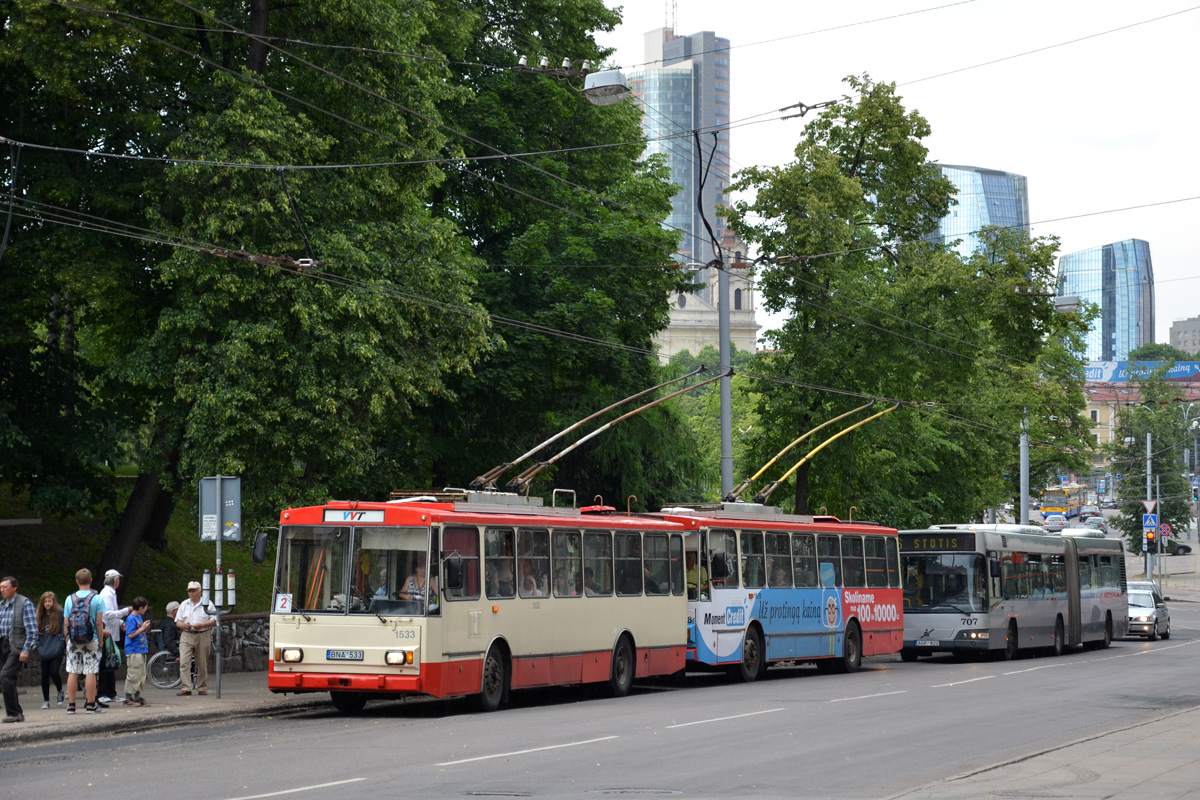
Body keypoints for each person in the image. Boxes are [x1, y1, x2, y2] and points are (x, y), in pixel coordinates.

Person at [63, 568, 106, 714]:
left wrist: (67, 638)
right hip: (91, 638)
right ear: (91, 580)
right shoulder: (97, 598)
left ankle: (71, 705)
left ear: (76, 581)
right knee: (91, 671)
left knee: (72, 671)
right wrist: (100, 640)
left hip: (73, 639)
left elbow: (66, 623)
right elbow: (99, 623)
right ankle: (90, 704)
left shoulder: (69, 599)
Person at [1, 576, 38, 723]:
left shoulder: (25, 603)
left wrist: (26, 649)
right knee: (7, 679)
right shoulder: (2, 605)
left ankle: (13, 713)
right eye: (1, 587)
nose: (2, 590)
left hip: (16, 647)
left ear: (14, 587)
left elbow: (33, 630)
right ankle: (17, 712)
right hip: (2, 645)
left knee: (6, 676)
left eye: (5, 587)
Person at [175, 581, 217, 696]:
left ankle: (202, 687)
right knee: (184, 661)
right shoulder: (184, 604)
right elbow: (177, 621)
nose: (191, 593)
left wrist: (202, 624)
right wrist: (183, 625)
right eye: (189, 591)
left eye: (193, 591)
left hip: (203, 634)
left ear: (200, 592)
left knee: (201, 662)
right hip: (187, 634)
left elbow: (214, 620)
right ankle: (186, 687)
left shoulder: (207, 603)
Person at [98, 569, 130, 704]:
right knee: (106, 664)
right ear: (115, 581)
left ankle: (111, 692)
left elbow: (111, 615)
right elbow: (107, 615)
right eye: (118, 580)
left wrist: (121, 622)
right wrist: (126, 611)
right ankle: (103, 692)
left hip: (112, 632)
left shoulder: (110, 593)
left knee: (110, 664)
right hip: (108, 634)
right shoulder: (107, 594)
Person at [35, 591, 66, 709]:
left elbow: (64, 629)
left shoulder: (59, 613)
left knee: (54, 672)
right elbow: (35, 634)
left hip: (56, 649)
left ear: (54, 602)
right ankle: (46, 700)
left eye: (49, 601)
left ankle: (59, 690)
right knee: (44, 676)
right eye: (45, 602)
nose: (47, 604)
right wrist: (39, 647)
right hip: (44, 649)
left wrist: (61, 644)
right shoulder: (39, 616)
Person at [123, 597, 152, 706]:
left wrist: (145, 628)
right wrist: (142, 628)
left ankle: (137, 696)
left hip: (141, 649)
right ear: (140, 608)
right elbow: (130, 634)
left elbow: (139, 631)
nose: (146, 610)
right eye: (145, 608)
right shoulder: (131, 618)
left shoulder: (139, 617)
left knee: (141, 674)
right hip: (134, 650)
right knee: (133, 673)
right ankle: (128, 697)